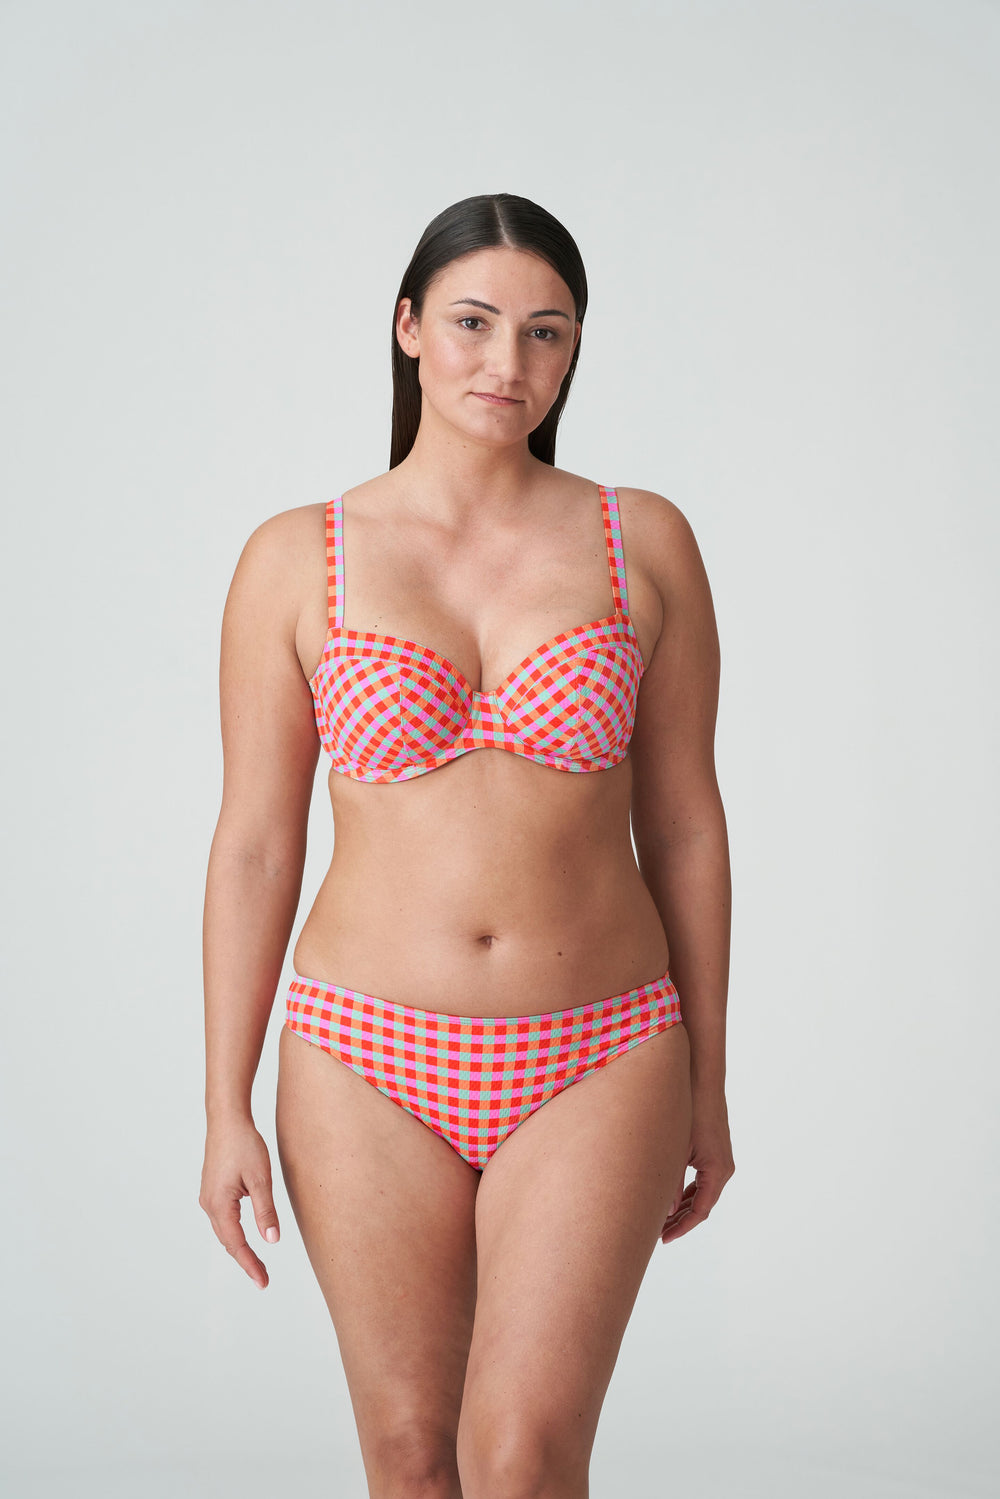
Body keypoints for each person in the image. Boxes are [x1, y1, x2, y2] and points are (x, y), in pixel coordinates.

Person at [199, 191, 734, 1499]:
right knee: (409, 1459)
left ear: (574, 351)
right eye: (475, 323)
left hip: (601, 1047)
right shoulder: (298, 558)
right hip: (362, 1053)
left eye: (547, 332)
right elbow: (256, 845)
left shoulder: (641, 540)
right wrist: (223, 1105)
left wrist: (711, 1083)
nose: (509, 362)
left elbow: (685, 823)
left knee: (524, 1458)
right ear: (408, 329)